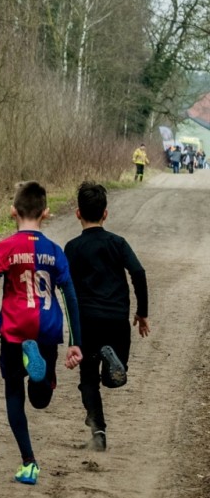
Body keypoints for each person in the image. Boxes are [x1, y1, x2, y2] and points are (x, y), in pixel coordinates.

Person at [0, 181, 82, 486]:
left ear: (13, 211)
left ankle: (29, 462)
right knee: (41, 400)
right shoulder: (55, 251)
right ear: (46, 213)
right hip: (47, 328)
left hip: (14, 329)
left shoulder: (3, 248)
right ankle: (40, 376)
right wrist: (75, 343)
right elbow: (70, 298)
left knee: (13, 393)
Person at [64, 182, 149, 452]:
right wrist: (142, 312)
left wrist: (71, 330)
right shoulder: (117, 243)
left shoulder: (72, 248)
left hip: (87, 321)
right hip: (116, 319)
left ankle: (98, 432)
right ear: (106, 214)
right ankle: (112, 364)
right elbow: (138, 273)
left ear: (78, 213)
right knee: (113, 377)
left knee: (88, 378)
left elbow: (66, 288)